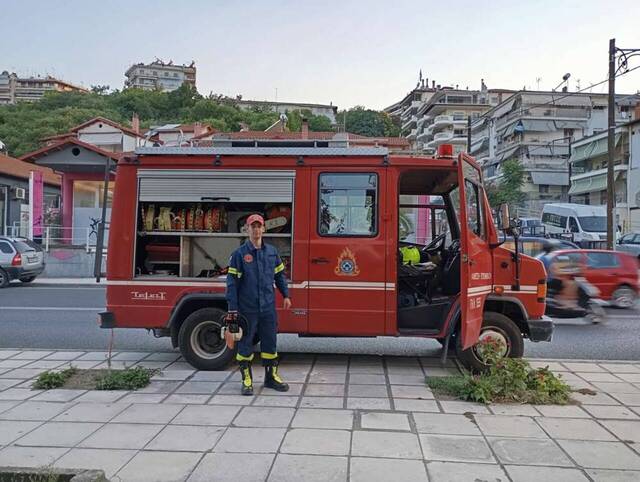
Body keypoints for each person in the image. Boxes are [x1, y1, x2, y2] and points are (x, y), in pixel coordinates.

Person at [226, 214, 292, 395]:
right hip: (247, 309)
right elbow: (232, 285)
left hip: (268, 308)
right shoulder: (239, 255)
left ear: (264, 229)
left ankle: (271, 378)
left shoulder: (272, 252)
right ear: (247, 229)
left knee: (270, 342)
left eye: (259, 226)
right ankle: (247, 380)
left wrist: (286, 295)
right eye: (252, 226)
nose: (256, 229)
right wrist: (232, 311)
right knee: (245, 344)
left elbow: (279, 276)